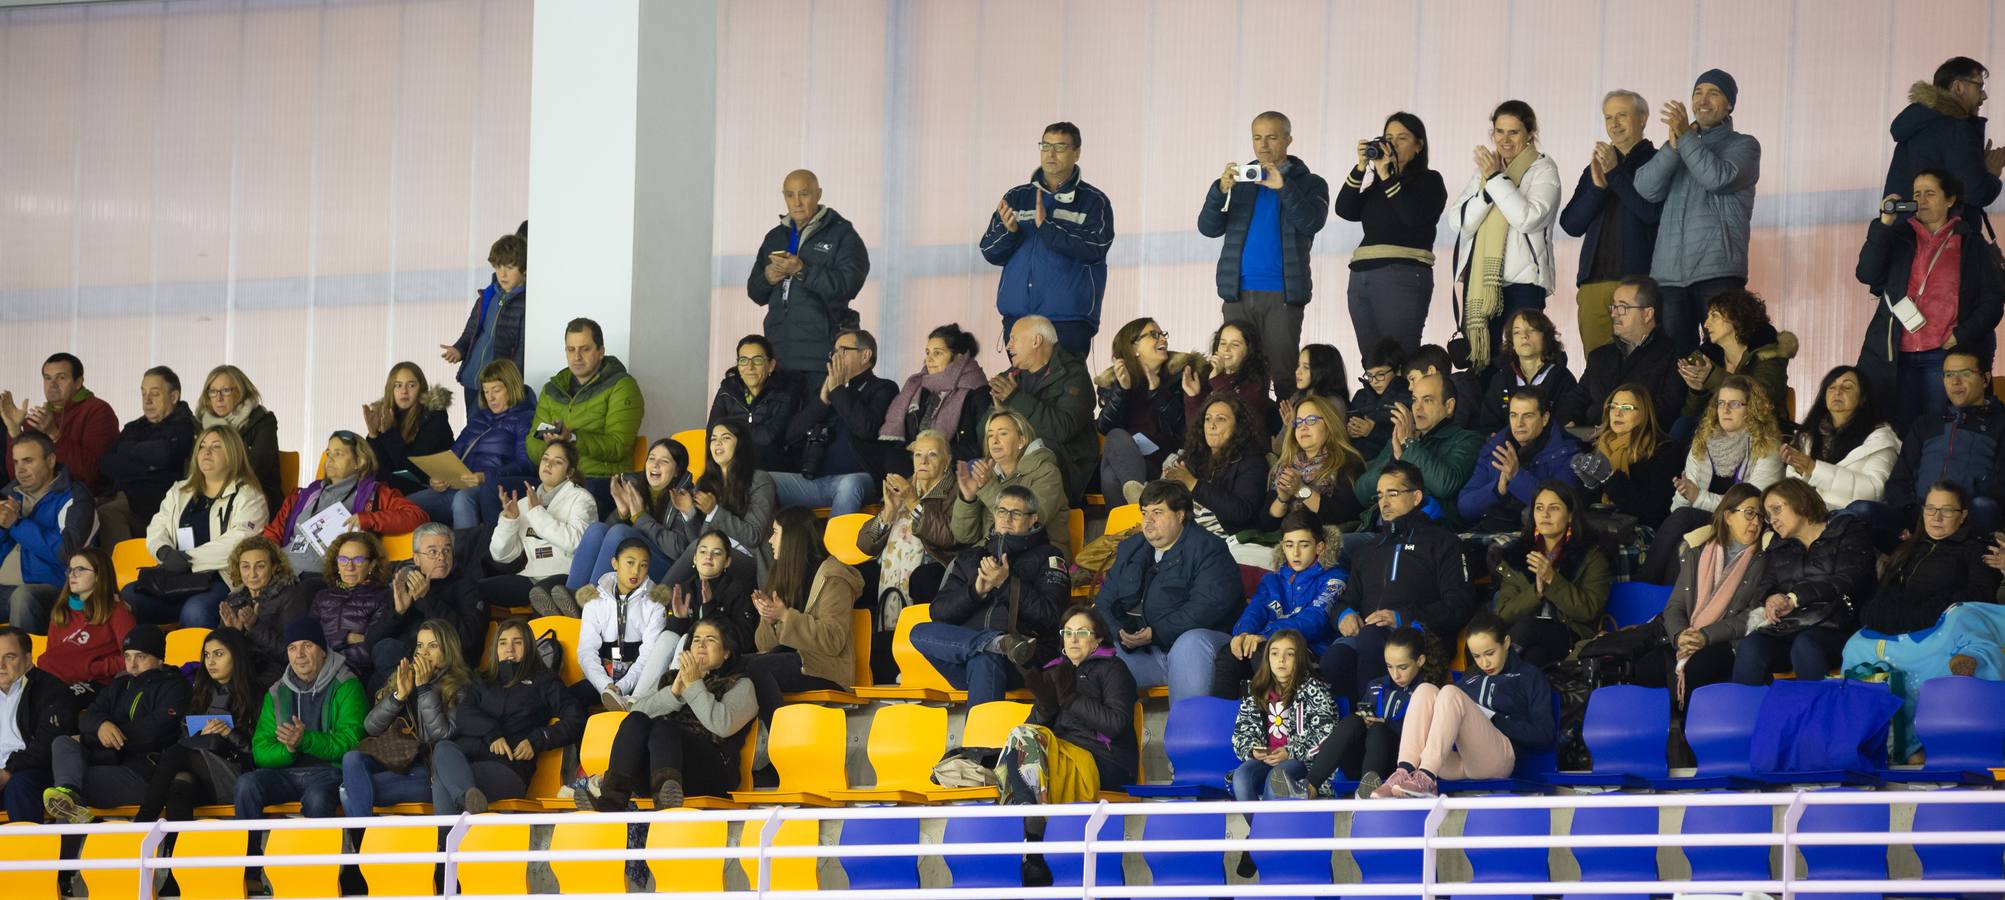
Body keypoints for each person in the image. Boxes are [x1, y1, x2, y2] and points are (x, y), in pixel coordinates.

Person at [1842, 482, 2005, 761]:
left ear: (1963, 514)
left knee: (1963, 618)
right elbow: (1884, 595)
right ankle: (1894, 745)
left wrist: (1925, 612)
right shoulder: (1908, 550)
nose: (1936, 517)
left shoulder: (1978, 548)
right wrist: (1888, 616)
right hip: (1906, 625)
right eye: (1930, 509)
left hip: (1942, 622)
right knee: (1856, 646)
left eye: (1946, 510)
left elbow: (1980, 595)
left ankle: (1938, 736)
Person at [1856, 167, 2004, 431]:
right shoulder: (1898, 236)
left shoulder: (1970, 242)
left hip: (1944, 355)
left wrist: (1960, 335)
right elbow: (1866, 273)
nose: (1921, 200)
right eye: (1916, 194)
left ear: (1950, 200)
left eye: (1929, 193)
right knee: (1897, 431)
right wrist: (1884, 224)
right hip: (1895, 355)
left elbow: (1992, 302)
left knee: (1941, 429)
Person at [1199, 111, 1332, 400]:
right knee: (1235, 373)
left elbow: (1312, 222)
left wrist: (1284, 187)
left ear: (1288, 140)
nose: (1263, 145)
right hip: (1237, 293)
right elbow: (1207, 228)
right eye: (1257, 138)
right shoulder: (1241, 181)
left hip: (1282, 293)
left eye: (1272, 137)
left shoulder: (1311, 183)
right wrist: (1220, 190)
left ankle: (1288, 442)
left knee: (1284, 374)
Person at [1320, 462, 1473, 702]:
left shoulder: (1444, 543)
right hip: (1368, 635)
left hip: (1420, 636)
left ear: (1416, 497)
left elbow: (1458, 606)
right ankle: (1353, 726)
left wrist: (1402, 617)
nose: (1384, 502)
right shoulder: (1369, 549)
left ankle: (1373, 720)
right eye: (1380, 495)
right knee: (1334, 660)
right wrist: (1344, 615)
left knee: (1371, 639)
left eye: (1393, 493)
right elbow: (1347, 599)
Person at [1633, 69, 1762, 354]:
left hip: (1718, 270)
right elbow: (1645, 187)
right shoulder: (1682, 145)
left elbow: (1717, 177)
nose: (1703, 100)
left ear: (1729, 105)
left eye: (1713, 93)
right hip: (1669, 276)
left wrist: (1686, 139)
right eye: (1698, 93)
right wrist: (1673, 146)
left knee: (1726, 352)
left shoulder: (1744, 145)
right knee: (1675, 360)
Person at [911, 485, 1069, 706]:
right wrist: (975, 592)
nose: (1007, 518)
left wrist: (1005, 584)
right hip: (967, 656)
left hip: (1022, 660)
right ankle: (992, 643)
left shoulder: (1049, 557)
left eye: (1016, 513)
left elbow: (1050, 615)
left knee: (985, 660)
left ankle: (979, 740)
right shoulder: (970, 558)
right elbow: (938, 612)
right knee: (918, 632)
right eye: (1002, 511)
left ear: (1033, 519)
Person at [1367, 613, 1555, 798]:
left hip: (1496, 760)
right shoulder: (1470, 679)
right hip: (1455, 762)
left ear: (1505, 643)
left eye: (1490, 653)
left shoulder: (1529, 677)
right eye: (1477, 656)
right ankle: (1404, 771)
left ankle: (1426, 777)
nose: (1484, 663)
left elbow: (1544, 734)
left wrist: (1494, 720)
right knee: (1425, 689)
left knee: (1450, 692)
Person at [1094, 480, 1241, 704]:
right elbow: (1104, 602)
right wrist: (1120, 632)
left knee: (1189, 643)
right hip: (1146, 652)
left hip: (1202, 651)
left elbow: (1205, 608)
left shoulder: (1209, 549)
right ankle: (1109, 735)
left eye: (1157, 512)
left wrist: (1156, 632)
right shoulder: (1131, 548)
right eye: (1144, 513)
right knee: (1088, 652)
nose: (1148, 520)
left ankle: (1187, 735)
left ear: (1180, 515)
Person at [586, 619, 756, 811]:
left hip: (712, 774)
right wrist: (673, 693)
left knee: (665, 727)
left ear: (726, 652)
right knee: (637, 719)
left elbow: (723, 725)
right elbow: (635, 714)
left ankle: (666, 802)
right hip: (655, 773)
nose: (701, 644)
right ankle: (611, 801)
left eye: (710, 640)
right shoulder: (670, 678)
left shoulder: (741, 685)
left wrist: (693, 686)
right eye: (696, 639)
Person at [981, 122, 1114, 355]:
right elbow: (989, 251)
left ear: (1077, 153)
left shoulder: (1094, 201)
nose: (1050, 154)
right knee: (1021, 391)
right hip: (1018, 320)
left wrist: (1048, 228)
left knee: (1064, 389)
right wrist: (1008, 232)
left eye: (1060, 147)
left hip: (1068, 322)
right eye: (1045, 146)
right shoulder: (1017, 197)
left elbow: (1096, 247)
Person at [1638, 376, 1784, 584]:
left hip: (1745, 523)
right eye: (1721, 403)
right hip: (1703, 518)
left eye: (1735, 404)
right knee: (1681, 543)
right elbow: (1682, 506)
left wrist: (1698, 497)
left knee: (1683, 520)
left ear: (1751, 409)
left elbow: (1756, 506)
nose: (1725, 410)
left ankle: (1640, 586)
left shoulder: (1767, 448)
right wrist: (1686, 496)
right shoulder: (1703, 442)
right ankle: (1658, 603)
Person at [121, 426, 269, 628]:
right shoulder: (180, 490)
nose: (207, 452)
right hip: (176, 579)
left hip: (219, 580)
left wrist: (188, 559)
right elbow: (158, 526)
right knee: (128, 597)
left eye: (216, 446)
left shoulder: (248, 496)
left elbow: (240, 542)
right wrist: (164, 553)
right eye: (203, 446)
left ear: (233, 454)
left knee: (195, 612)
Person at [1632, 484, 1770, 701]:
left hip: (1726, 642)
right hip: (1688, 636)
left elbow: (1753, 614)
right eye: (1750, 513)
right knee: (1645, 668)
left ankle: (1685, 730)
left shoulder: (1762, 561)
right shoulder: (1697, 554)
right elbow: (1675, 605)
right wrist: (1680, 635)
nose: (1756, 522)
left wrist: (1705, 636)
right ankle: (1667, 730)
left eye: (1761, 517)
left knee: (1696, 668)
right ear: (1728, 516)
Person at [39, 624, 188, 822]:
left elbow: (153, 733)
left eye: (141, 657)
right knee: (63, 743)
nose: (132, 665)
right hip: (108, 762)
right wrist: (101, 726)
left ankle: (70, 834)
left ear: (160, 659)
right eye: (127, 656)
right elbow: (88, 716)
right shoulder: (120, 684)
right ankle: (71, 796)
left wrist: (102, 737)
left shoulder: (176, 686)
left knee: (73, 784)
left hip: (145, 774)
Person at [1451, 100, 1560, 367]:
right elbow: (1459, 221)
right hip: (1482, 284)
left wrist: (1496, 180)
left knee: (1519, 362)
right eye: (1499, 131)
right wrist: (1488, 188)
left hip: (1523, 284)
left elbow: (1527, 218)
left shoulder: (1543, 169)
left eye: (1514, 132)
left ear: (1530, 133)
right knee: (1484, 364)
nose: (1505, 139)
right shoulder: (1485, 171)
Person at [1733, 480, 1876, 684]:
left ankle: (1816, 714)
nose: (1772, 520)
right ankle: (1749, 715)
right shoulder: (1779, 546)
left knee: (1806, 644)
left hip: (1838, 625)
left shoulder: (1847, 530)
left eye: (1776, 510)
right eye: (1769, 515)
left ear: (1800, 501)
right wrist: (1771, 599)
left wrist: (1795, 597)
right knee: (1751, 646)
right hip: (1791, 626)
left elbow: (1849, 579)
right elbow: (1764, 588)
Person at [437, 617, 585, 813]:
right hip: (470, 759)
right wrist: (493, 734)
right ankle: (467, 802)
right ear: (495, 649)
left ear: (530, 647)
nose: (509, 649)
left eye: (518, 642)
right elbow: (464, 715)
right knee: (443, 748)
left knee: (444, 782)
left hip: (509, 768)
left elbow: (576, 719)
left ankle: (450, 833)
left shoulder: (545, 681)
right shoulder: (482, 680)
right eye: (503, 643)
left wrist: (538, 739)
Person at [1335, 111, 1449, 361]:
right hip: (1361, 274)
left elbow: (1411, 216)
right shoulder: (1378, 186)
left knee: (1400, 355)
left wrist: (1387, 175)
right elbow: (1344, 209)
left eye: (1402, 138)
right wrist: (1361, 166)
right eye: (1388, 138)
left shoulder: (1429, 180)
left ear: (1419, 146)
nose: (1393, 144)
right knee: (1372, 360)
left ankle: (1403, 400)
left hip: (1401, 273)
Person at [997, 604, 1138, 804]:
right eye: (1067, 632)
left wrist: (1071, 699)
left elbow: (1115, 724)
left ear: (1097, 639)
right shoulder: (1055, 672)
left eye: (1081, 632)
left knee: (1019, 751)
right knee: (1015, 749)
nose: (1073, 639)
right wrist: (1045, 708)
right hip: (1061, 755)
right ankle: (1029, 814)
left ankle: (1028, 817)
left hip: (1103, 761)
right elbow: (1028, 732)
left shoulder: (1113, 668)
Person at [1558, 90, 1662, 353]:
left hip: (1635, 284)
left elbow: (1651, 214)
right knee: (1597, 368)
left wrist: (1615, 174)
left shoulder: (1658, 161)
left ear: (1643, 118)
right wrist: (1596, 187)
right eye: (1608, 117)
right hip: (1593, 283)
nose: (1614, 124)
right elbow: (1571, 225)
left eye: (1622, 115)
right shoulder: (1596, 167)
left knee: (1635, 365)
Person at [232, 617, 365, 820]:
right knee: (246, 784)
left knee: (316, 798)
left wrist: (305, 740)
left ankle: (317, 853)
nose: (299, 655)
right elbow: (260, 750)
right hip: (285, 774)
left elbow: (352, 743)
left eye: (307, 646)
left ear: (322, 650)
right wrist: (289, 748)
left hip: (330, 773)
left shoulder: (347, 685)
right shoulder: (276, 692)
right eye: (292, 648)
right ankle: (249, 851)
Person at [1871, 349, 2005, 541]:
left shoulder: (2000, 424)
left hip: (1969, 518)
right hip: (1919, 517)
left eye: (1965, 373)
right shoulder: (1926, 424)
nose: (1955, 381)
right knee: (1861, 511)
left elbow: (2001, 489)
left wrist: (1953, 512)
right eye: (1948, 374)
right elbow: (1898, 481)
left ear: (1985, 379)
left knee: (1983, 506)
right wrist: (1918, 515)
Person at [134, 628, 267, 821]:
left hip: (240, 775)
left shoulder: (258, 694)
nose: (210, 662)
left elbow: (260, 752)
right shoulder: (201, 691)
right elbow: (184, 737)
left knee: (174, 755)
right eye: (206, 655)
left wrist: (228, 733)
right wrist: (201, 736)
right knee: (180, 784)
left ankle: (142, 822)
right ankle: (175, 849)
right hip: (203, 773)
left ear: (237, 656)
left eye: (219, 654)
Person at [747, 170, 871, 375]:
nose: (796, 202)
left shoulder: (842, 234)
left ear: (818, 194)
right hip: (779, 352)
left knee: (818, 407)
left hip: (822, 355)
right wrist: (767, 278)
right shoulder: (775, 237)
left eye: (804, 194)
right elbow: (755, 292)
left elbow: (849, 285)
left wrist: (801, 270)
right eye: (790, 195)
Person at [339, 620, 469, 814]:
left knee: (350, 791)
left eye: (433, 646)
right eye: (420, 646)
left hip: (431, 772)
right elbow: (371, 727)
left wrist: (425, 689)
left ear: (448, 651)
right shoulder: (406, 677)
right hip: (397, 760)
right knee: (352, 759)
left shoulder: (458, 687)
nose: (424, 653)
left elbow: (442, 735)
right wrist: (398, 697)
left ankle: (362, 842)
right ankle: (365, 841)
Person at [1209, 512, 1343, 699]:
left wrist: (1267, 635)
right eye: (1289, 545)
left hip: (1311, 651)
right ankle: (1220, 720)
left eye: (1304, 545)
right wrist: (1243, 634)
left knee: (1265, 652)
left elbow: (1315, 620)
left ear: (1319, 547)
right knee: (1230, 653)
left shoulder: (1334, 578)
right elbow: (1256, 609)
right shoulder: (1272, 579)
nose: (1295, 553)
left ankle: (1276, 720)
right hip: (1266, 645)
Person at [747, 509, 863, 720]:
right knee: (733, 666)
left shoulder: (833, 577)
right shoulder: (784, 575)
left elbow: (833, 640)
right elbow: (764, 647)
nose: (770, 540)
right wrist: (770, 618)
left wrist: (785, 616)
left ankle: (780, 740)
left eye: (775, 532)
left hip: (826, 670)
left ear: (792, 537)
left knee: (757, 667)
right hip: (794, 662)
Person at [261, 431, 425, 578]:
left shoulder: (375, 494)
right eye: (328, 453)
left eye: (338, 454)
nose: (329, 459)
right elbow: (272, 534)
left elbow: (416, 515)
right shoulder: (304, 495)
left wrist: (369, 519)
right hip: (280, 573)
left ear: (359, 462)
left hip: (320, 580)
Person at [1488, 483, 1612, 666]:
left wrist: (1552, 580)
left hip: (1570, 636)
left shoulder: (1590, 555)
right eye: (1539, 508)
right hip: (1527, 640)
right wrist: (1536, 593)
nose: (1545, 515)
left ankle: (1482, 678)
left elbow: (1589, 611)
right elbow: (1503, 615)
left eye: (1554, 508)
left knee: (1527, 629)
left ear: (1570, 515)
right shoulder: (1518, 555)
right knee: (1533, 658)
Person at [527, 317, 645, 509]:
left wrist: (572, 438)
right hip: (556, 479)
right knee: (495, 492)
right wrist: (553, 448)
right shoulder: (552, 389)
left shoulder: (622, 386)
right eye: (571, 349)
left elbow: (618, 446)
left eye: (585, 349)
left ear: (601, 351)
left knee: (563, 506)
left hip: (600, 479)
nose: (577, 357)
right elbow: (532, 443)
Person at [408, 358, 538, 529]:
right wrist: (438, 477)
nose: (490, 397)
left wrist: (485, 476)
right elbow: (453, 455)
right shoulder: (478, 419)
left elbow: (526, 464)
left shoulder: (526, 419)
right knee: (406, 503)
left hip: (490, 488)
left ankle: (468, 553)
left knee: (463, 499)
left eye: (496, 390)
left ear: (511, 388)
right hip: (459, 485)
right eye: (485, 391)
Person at [779, 328, 897, 517]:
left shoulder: (883, 388)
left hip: (859, 479)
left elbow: (866, 428)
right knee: (760, 480)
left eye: (842, 351)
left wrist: (838, 391)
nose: (835, 357)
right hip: (815, 480)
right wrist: (822, 402)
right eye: (833, 352)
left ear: (865, 355)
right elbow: (791, 435)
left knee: (848, 485)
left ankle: (835, 546)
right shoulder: (827, 389)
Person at [1318, 628, 1444, 796]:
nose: (1395, 674)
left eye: (1402, 667)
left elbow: (1430, 742)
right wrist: (1363, 720)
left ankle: (1369, 791)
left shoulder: (1428, 693)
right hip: (1364, 759)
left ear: (1420, 660)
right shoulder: (1376, 685)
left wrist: (1386, 725)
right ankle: (1310, 785)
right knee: (1352, 721)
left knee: (1379, 729)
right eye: (1389, 667)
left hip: (1402, 766)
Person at [1884, 57, 2005, 226]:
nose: (1983, 95)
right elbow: (1976, 193)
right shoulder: (1956, 128)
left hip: (1904, 238)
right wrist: (1991, 173)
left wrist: (1977, 166)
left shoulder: (1917, 124)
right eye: (1980, 86)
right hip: (1944, 243)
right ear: (1958, 87)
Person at [856, 431, 960, 626]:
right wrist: (889, 510)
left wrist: (913, 502)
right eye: (918, 455)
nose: (924, 461)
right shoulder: (903, 486)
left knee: (923, 579)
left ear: (947, 462)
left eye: (932, 454)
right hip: (890, 568)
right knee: (856, 576)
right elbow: (864, 545)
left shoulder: (957, 491)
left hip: (937, 565)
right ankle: (876, 645)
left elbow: (949, 537)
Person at [1353, 373, 1483, 529]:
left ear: (1449, 406)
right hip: (1383, 530)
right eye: (1414, 400)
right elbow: (1361, 493)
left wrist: (1410, 445)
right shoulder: (1402, 437)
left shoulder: (1467, 439)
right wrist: (1395, 460)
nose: (1417, 407)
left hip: (1433, 533)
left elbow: (1445, 485)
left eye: (1427, 400)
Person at [1557, 276, 1687, 430]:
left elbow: (1670, 406)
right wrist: (1569, 419)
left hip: (1643, 442)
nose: (1614, 314)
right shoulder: (1600, 356)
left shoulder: (1672, 353)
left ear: (1648, 314)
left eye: (1623, 307)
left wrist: (1614, 426)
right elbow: (1578, 398)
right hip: (1591, 441)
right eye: (1614, 307)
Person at [992, 315, 1097, 504]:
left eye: (1014, 338)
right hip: (1016, 461)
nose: (1008, 346)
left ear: (1036, 341)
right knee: (977, 465)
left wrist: (1015, 399)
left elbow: (1064, 428)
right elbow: (983, 432)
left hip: (1066, 465)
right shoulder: (1009, 378)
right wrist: (997, 412)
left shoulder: (1074, 375)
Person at [2, 432, 99, 632]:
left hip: (57, 590)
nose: (20, 469)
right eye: (16, 462)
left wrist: (16, 525)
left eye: (28, 461)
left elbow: (67, 552)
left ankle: (25, 662)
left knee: (23, 597)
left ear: (51, 460)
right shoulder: (9, 494)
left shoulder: (75, 497)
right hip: (4, 588)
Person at [489, 440, 597, 618]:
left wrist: (537, 513)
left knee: (540, 593)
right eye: (545, 458)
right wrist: (510, 521)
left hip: (565, 575)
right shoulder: (524, 503)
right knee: (473, 589)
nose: (548, 464)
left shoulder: (581, 498)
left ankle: (546, 641)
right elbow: (501, 555)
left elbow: (575, 543)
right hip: (530, 576)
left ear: (569, 472)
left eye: (558, 461)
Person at [366, 523, 488, 677]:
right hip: (404, 667)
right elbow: (370, 643)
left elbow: (468, 639)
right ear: (416, 558)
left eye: (447, 550)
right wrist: (398, 613)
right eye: (432, 552)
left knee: (387, 652)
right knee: (382, 653)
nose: (441, 557)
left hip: (448, 672)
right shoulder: (408, 584)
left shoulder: (469, 588)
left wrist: (427, 599)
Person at [570, 438, 692, 590]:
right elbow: (605, 542)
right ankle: (571, 596)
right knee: (597, 529)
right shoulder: (638, 489)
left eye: (664, 461)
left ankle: (593, 602)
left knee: (620, 532)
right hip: (634, 561)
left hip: (667, 572)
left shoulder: (685, 498)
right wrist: (621, 514)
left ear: (676, 472)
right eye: (651, 458)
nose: (655, 464)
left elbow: (678, 549)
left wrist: (641, 518)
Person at [1458, 386, 1583, 535]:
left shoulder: (1567, 453)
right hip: (1491, 532)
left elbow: (1563, 508)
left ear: (1545, 419)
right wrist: (1497, 490)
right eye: (1513, 415)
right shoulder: (1495, 448)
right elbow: (1465, 507)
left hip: (1539, 539)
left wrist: (1517, 477)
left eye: (1528, 416)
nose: (1519, 423)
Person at [1229, 630, 1337, 801]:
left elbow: (1326, 736)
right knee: (1242, 776)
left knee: (1277, 778)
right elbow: (1240, 735)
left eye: (1290, 654)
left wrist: (1290, 752)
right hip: (1265, 761)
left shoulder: (1314, 690)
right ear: (1267, 658)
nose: (1281, 659)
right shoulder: (1255, 691)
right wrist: (1252, 750)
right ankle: (1260, 828)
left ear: (1300, 658)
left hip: (1302, 762)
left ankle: (1267, 828)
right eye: (1275, 653)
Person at [1095, 318, 1194, 503]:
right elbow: (1104, 427)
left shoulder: (1181, 377)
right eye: (1154, 335)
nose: (1163, 340)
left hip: (1169, 465)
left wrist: (1158, 391)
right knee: (1115, 438)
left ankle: (1132, 513)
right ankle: (1137, 497)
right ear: (1133, 348)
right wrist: (1121, 391)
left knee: (1111, 475)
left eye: (1163, 335)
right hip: (1133, 463)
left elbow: (1186, 427)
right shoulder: (1117, 382)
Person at [94, 366, 196, 546]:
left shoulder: (185, 426)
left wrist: (126, 452)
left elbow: (166, 456)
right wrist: (147, 466)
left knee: (108, 513)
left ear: (173, 397)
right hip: (122, 494)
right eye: (143, 393)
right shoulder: (134, 427)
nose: (147, 400)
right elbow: (105, 463)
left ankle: (123, 572)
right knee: (83, 507)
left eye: (155, 394)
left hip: (155, 506)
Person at [949, 409, 1071, 553]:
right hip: (993, 552)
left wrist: (988, 487)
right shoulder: (988, 475)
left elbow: (1030, 524)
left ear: (1022, 440)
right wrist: (968, 499)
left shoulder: (1047, 472)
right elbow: (964, 536)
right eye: (990, 435)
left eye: (1003, 433)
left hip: (1037, 556)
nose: (994, 441)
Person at [1, 353, 119, 496]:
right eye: (47, 378)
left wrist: (54, 435)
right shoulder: (39, 418)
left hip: (86, 499)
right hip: (41, 499)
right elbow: (18, 478)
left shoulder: (98, 410)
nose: (53, 385)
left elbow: (94, 473)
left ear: (78, 382)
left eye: (61, 378)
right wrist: (14, 431)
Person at [1785, 366, 1901, 511]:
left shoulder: (1879, 438)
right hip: (1808, 521)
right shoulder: (1806, 437)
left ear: (1862, 398)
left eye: (1847, 387)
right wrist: (1801, 472)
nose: (1837, 392)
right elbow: (1791, 493)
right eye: (1831, 387)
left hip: (1851, 523)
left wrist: (1814, 469)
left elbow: (1875, 490)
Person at [575, 538, 670, 713]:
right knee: (568, 699)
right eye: (630, 563)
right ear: (615, 563)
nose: (636, 571)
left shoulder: (654, 604)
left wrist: (622, 687)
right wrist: (605, 684)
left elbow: (648, 657)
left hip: (636, 683)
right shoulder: (594, 600)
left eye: (643, 565)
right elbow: (586, 651)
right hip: (601, 679)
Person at [674, 421, 777, 581]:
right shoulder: (704, 482)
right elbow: (698, 539)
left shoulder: (760, 481)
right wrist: (689, 512)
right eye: (713, 439)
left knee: (702, 551)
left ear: (740, 445)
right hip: (712, 556)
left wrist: (715, 511)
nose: (717, 443)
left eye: (726, 438)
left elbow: (753, 536)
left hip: (749, 561)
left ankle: (656, 598)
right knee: (700, 551)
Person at [880, 323, 993, 468]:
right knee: (892, 457)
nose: (929, 359)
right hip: (918, 463)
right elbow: (906, 439)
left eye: (937, 353)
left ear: (958, 359)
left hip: (954, 466)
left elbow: (981, 446)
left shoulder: (978, 393)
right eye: (928, 352)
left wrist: (936, 450)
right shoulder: (919, 388)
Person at [0, 625, 81, 825]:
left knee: (19, 785)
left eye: (9, 657)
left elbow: (47, 743)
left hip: (30, 771)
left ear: (28, 659)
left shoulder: (51, 690)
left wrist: (8, 771)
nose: (0, 664)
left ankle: (29, 852)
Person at [1678, 289, 1795, 425]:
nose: (1706, 324)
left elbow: (1762, 399)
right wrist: (1698, 390)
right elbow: (1691, 415)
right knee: (1683, 425)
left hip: (1760, 432)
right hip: (1717, 432)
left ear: (1737, 317)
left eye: (1714, 316)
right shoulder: (1710, 356)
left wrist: (1712, 377)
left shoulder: (1768, 352)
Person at [441, 233, 527, 419]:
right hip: (473, 378)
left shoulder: (526, 303)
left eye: (510, 267)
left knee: (483, 430)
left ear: (524, 269)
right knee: (472, 427)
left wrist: (510, 383)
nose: (502, 274)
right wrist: (459, 349)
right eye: (498, 267)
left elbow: (520, 352)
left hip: (497, 384)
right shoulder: (488, 295)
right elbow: (472, 331)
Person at [1162, 394, 1271, 539]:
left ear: (1238, 426)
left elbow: (1241, 512)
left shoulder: (1252, 462)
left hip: (1222, 539)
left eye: (1221, 419)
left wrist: (1193, 484)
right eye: (1208, 419)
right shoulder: (1195, 455)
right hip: (1185, 530)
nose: (1212, 425)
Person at [1581, 385, 1690, 528]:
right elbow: (1588, 507)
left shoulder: (1665, 451)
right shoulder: (1601, 445)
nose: (1617, 413)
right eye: (1613, 407)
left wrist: (1609, 478)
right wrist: (1590, 486)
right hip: (1601, 526)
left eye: (1626, 408)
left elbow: (1654, 512)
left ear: (1644, 413)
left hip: (1641, 533)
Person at [1260, 393, 1365, 532]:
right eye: (1298, 422)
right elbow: (1266, 524)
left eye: (1311, 420)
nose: (1303, 427)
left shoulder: (1347, 462)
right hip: (1283, 543)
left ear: (1329, 424)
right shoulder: (1285, 465)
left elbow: (1342, 515)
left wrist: (1299, 490)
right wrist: (1282, 498)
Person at [217, 536, 314, 679]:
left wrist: (255, 626)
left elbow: (292, 655)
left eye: (260, 566)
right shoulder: (234, 600)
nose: (252, 574)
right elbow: (219, 651)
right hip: (241, 671)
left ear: (274, 567)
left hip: (275, 675)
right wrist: (233, 634)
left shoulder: (290, 597)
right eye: (245, 566)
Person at [37, 548, 134, 691]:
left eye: (80, 569)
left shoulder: (116, 611)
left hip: (102, 683)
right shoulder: (61, 613)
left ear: (98, 575)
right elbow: (55, 659)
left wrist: (91, 667)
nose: (72, 575)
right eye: (70, 570)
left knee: (56, 698)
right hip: (63, 681)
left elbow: (133, 658)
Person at [708, 335, 805, 475]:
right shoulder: (727, 391)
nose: (750, 367)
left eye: (757, 360)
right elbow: (712, 433)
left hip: (771, 470)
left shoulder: (785, 394)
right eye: (743, 360)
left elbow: (769, 436)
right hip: (728, 469)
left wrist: (730, 433)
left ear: (771, 365)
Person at [308, 532, 391, 684]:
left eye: (358, 560)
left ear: (372, 564)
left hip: (354, 673)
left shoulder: (382, 596)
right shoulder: (322, 597)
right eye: (343, 560)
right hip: (316, 668)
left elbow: (371, 645)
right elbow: (308, 639)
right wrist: (344, 637)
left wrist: (330, 654)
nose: (349, 567)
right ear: (337, 564)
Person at [1477, 308, 1577, 431]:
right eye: (1517, 332)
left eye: (1532, 330)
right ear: (1511, 342)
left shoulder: (1563, 378)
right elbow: (1488, 425)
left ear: (1546, 337)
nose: (1524, 336)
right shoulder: (1500, 379)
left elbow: (1565, 422)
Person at [195, 365, 283, 507]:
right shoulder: (199, 424)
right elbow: (192, 469)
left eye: (225, 390)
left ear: (241, 392)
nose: (219, 398)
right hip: (207, 496)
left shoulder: (262, 421)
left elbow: (257, 468)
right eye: (213, 392)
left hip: (253, 495)